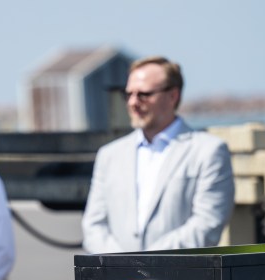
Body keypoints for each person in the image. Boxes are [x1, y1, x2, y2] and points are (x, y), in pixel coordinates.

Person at [82, 56, 235, 253]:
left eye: (144, 94)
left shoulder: (208, 151)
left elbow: (208, 223)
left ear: (173, 96)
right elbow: (93, 225)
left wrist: (147, 262)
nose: (133, 102)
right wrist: (118, 264)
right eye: (128, 94)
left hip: (178, 278)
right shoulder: (109, 155)